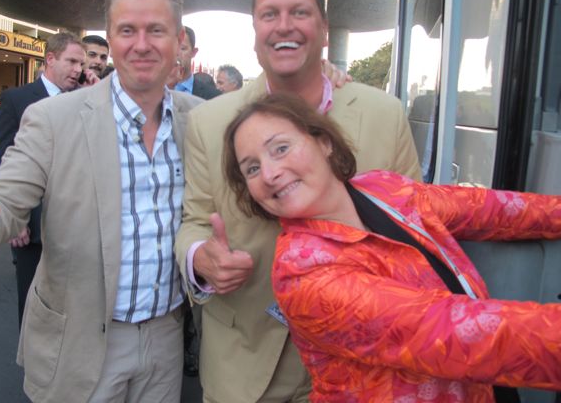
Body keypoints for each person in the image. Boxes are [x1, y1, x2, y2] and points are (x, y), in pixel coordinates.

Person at [0, 0, 202, 403]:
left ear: (179, 42)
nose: (141, 44)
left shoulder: (203, 120)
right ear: (110, 41)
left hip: (166, 339)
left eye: (156, 30)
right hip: (80, 342)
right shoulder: (53, 118)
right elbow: (6, 197)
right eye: (126, 30)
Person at [175, 0, 422, 402]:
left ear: (324, 30)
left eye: (300, 12)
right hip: (244, 370)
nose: (283, 25)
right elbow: (194, 220)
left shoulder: (385, 115)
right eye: (269, 14)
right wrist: (200, 260)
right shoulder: (210, 122)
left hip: (361, 365)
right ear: (255, 33)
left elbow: (415, 229)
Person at [222, 92, 561, 402]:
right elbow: (444, 331)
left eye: (280, 149)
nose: (269, 174)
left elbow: (490, 210)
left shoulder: (383, 190)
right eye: (252, 168)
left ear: (323, 142)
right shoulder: (302, 274)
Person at [0, 31, 91, 325]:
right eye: (71, 61)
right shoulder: (16, 99)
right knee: (33, 308)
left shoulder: (85, 100)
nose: (78, 70)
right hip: (31, 229)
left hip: (76, 228)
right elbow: (1, 162)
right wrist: (14, 217)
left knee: (73, 311)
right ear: (50, 59)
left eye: (81, 64)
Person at [173, 26, 221, 99]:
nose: (176, 53)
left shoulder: (213, 96)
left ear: (193, 52)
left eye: (182, 48)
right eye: (172, 48)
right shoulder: (155, 91)